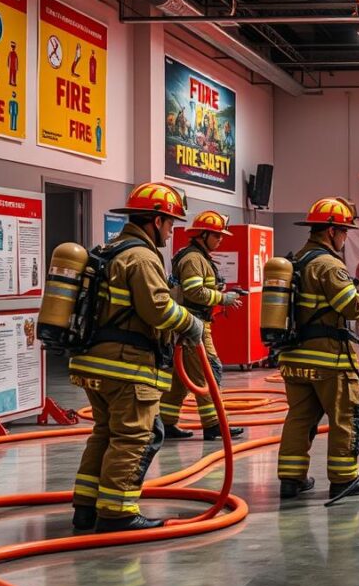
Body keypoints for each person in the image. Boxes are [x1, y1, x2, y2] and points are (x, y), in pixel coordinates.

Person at [69, 182, 203, 533]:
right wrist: (191, 324)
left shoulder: (109, 249)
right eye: (171, 223)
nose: (171, 231)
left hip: (94, 363)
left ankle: (86, 508)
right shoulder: (141, 257)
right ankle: (117, 513)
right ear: (156, 220)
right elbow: (157, 309)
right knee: (136, 436)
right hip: (125, 365)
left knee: (105, 433)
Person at [277, 197, 359, 500]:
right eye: (344, 231)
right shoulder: (329, 265)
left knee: (300, 418)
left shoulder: (298, 259)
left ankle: (291, 479)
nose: (345, 237)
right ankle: (344, 480)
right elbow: (350, 305)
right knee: (347, 416)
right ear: (332, 231)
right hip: (327, 360)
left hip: (294, 359)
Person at [158, 210, 244, 442]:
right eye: (216, 236)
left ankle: (166, 423)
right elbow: (194, 292)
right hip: (193, 326)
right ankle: (213, 424)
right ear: (201, 235)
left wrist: (224, 293)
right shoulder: (194, 259)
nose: (220, 240)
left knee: (178, 380)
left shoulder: (199, 257)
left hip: (189, 324)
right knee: (209, 373)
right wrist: (223, 298)